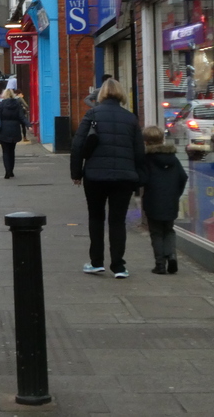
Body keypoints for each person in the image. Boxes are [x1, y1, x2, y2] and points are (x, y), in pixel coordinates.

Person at [70, 78, 145, 278]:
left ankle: (96, 262)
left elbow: (78, 145)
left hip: (95, 176)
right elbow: (139, 151)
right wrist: (139, 179)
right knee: (118, 221)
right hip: (124, 177)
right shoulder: (130, 118)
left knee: (96, 217)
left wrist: (76, 173)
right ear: (121, 94)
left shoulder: (92, 114)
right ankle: (119, 266)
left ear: (101, 94)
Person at [140, 125, 188, 275]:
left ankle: (160, 264)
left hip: (153, 200)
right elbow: (183, 177)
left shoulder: (147, 159)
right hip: (171, 200)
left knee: (156, 232)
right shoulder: (172, 158)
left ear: (146, 142)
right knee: (169, 230)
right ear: (162, 139)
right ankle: (172, 256)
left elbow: (142, 179)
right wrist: (176, 194)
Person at [0, 89, 29, 178]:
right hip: (15, 129)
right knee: (12, 151)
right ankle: (11, 170)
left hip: (3, 130)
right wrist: (28, 124)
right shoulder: (17, 104)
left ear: (4, 95)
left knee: (5, 151)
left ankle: (7, 171)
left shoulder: (1, 105)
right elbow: (22, 116)